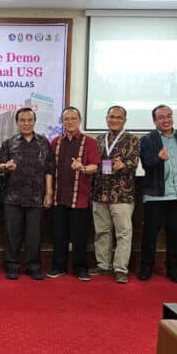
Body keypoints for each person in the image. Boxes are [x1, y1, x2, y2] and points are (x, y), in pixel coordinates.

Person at [138, 104, 177, 283]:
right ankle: (146, 268)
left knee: (175, 235)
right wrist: (158, 159)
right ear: (154, 121)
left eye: (168, 116)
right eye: (161, 117)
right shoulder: (148, 139)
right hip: (155, 195)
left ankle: (173, 269)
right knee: (150, 235)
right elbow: (146, 164)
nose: (166, 120)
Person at [0, 107, 55, 280]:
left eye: (30, 120)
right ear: (17, 123)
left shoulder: (44, 142)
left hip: (37, 196)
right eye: (22, 120)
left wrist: (49, 192)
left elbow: (49, 169)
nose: (26, 123)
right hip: (12, 196)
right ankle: (12, 265)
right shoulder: (9, 143)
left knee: (34, 235)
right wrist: (6, 167)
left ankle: (33, 266)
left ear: (34, 122)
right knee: (12, 234)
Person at [47, 107, 100, 281]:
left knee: (79, 236)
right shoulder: (55, 142)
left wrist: (82, 168)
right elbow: (50, 169)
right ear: (62, 122)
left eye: (73, 118)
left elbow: (95, 166)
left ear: (80, 120)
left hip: (81, 198)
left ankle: (80, 268)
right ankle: (58, 267)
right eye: (66, 119)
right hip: (59, 196)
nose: (70, 121)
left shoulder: (90, 142)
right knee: (59, 235)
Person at [90, 105, 140, 284]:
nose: (114, 120)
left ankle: (120, 268)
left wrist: (123, 165)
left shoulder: (132, 140)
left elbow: (133, 163)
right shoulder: (98, 140)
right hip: (100, 192)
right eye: (111, 116)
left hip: (122, 194)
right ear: (106, 118)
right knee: (102, 231)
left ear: (124, 120)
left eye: (118, 117)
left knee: (123, 233)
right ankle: (103, 265)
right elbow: (95, 164)